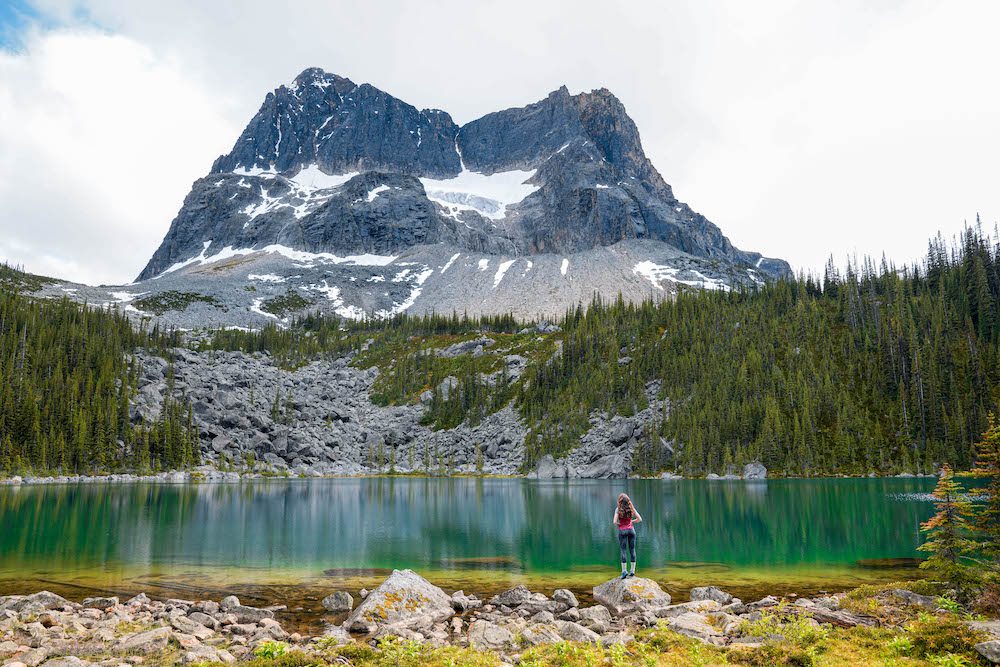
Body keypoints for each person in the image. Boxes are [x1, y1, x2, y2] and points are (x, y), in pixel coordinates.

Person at [613, 492, 642, 579]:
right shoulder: (631, 508)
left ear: (620, 501)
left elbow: (614, 522)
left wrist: (619, 524)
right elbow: (639, 519)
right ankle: (632, 570)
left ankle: (624, 571)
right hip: (631, 530)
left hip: (622, 531)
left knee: (623, 551)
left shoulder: (618, 509)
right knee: (632, 550)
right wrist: (631, 522)